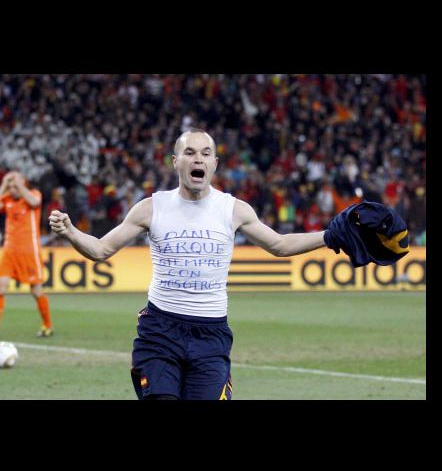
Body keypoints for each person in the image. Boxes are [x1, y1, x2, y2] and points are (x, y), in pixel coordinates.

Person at [49, 129, 326, 400]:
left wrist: (330, 235)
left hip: (211, 335)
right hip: (160, 331)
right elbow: (100, 250)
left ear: (214, 163)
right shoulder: (151, 208)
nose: (198, 159)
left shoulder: (234, 210)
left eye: (205, 154)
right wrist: (71, 232)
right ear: (175, 161)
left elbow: (280, 245)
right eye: (190, 152)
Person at [0, 171, 53, 338]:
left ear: (23, 184)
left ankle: (47, 325)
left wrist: (18, 183)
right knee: (0, 286)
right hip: (9, 251)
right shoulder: (7, 199)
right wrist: (3, 185)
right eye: (10, 187)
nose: (12, 189)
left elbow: (34, 202)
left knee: (36, 291)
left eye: (15, 186)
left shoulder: (33, 194)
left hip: (29, 251)